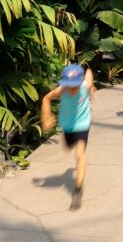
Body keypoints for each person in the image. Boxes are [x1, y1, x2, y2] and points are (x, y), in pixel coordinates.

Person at [40, 63, 94, 210]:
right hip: (67, 125)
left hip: (83, 123)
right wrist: (47, 116)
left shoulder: (85, 86)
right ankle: (72, 145)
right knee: (69, 147)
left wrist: (89, 70)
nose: (71, 89)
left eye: (74, 85)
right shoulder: (62, 89)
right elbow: (46, 99)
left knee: (80, 153)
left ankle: (78, 190)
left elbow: (89, 80)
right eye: (69, 85)